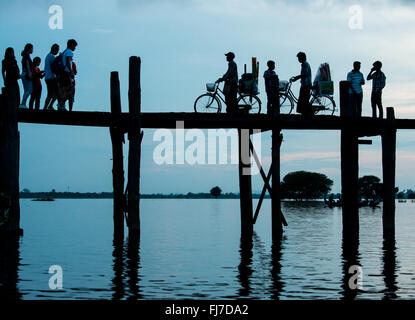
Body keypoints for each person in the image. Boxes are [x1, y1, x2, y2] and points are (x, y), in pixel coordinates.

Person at [57, 39, 78, 111]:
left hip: (62, 73)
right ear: (71, 45)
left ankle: (61, 105)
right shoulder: (69, 52)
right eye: (74, 46)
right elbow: (68, 62)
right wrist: (71, 71)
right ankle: (61, 104)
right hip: (66, 73)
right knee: (71, 89)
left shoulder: (64, 52)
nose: (75, 48)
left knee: (65, 90)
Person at [291, 52, 312, 116]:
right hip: (304, 84)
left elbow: (304, 74)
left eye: (299, 58)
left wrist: (296, 78)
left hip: (306, 84)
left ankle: (306, 113)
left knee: (304, 99)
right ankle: (305, 113)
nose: (298, 59)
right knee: (303, 99)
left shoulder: (305, 64)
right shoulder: (305, 64)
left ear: (302, 58)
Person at [44, 44, 60, 110]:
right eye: (57, 50)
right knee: (54, 93)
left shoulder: (47, 56)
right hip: (51, 77)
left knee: (52, 93)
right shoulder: (52, 56)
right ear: (54, 49)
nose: (57, 52)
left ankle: (48, 106)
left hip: (47, 77)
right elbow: (54, 67)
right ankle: (47, 107)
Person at [20, 43, 34, 109]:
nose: (32, 50)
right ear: (29, 48)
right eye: (32, 48)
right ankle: (23, 103)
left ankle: (23, 103)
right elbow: (27, 65)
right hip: (26, 73)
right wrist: (29, 73)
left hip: (23, 73)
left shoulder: (25, 55)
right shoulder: (27, 56)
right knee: (29, 90)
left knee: (26, 90)